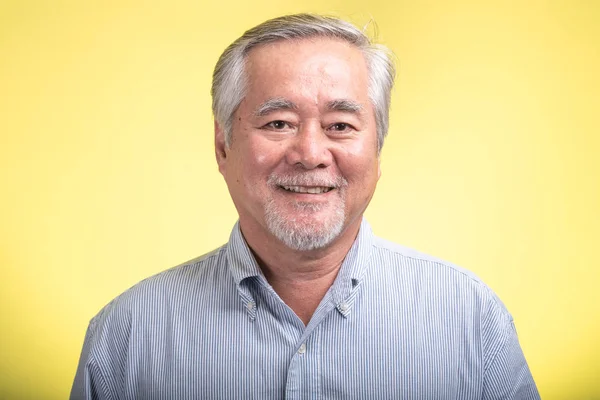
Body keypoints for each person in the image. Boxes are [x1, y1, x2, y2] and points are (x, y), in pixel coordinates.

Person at [71, 14, 540, 399]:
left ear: (378, 149)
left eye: (340, 125)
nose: (310, 153)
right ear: (222, 146)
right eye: (278, 122)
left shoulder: (471, 319)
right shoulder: (127, 336)